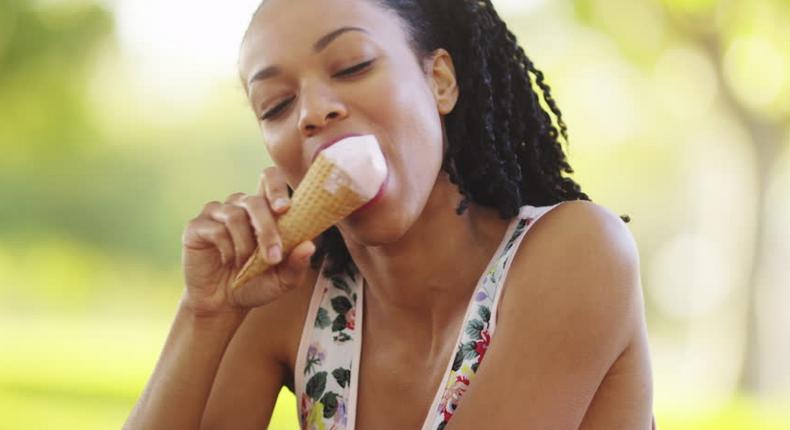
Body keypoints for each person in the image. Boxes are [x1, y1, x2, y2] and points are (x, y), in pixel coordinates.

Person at [124, 0, 655, 428]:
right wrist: (206, 316)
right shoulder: (284, 296)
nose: (313, 112)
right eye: (276, 105)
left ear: (440, 81)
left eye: (353, 66)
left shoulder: (577, 251)